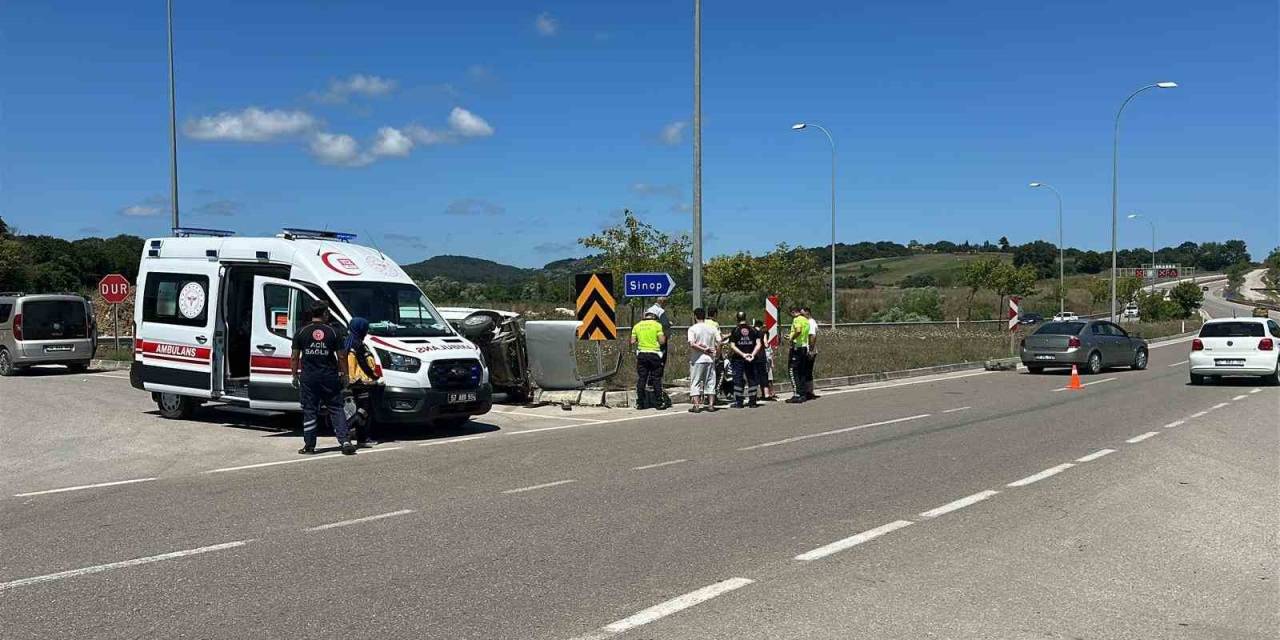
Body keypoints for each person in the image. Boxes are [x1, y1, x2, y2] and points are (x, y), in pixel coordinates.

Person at [291, 301, 355, 455]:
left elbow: (294, 356)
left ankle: (309, 446)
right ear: (325, 313)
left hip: (309, 378)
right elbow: (341, 356)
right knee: (336, 408)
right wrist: (345, 375)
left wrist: (294, 375)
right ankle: (345, 441)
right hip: (329, 377)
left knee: (310, 410)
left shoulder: (301, 332)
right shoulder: (334, 332)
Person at [344, 317, 383, 447]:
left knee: (364, 410)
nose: (366, 331)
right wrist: (375, 377)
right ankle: (345, 429)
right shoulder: (357, 344)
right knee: (364, 410)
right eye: (365, 329)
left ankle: (362, 438)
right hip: (361, 382)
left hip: (357, 382)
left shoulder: (350, 342)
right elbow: (363, 365)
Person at [630, 310, 668, 410]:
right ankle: (659, 402)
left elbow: (632, 341)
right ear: (654, 317)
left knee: (642, 378)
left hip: (642, 354)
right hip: (654, 354)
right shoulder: (657, 325)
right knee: (656, 378)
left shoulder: (637, 326)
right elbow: (662, 341)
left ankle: (640, 403)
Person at [686, 307, 719, 413]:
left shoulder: (692, 329)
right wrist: (715, 351)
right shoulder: (712, 328)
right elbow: (720, 340)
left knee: (695, 381)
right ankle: (710, 404)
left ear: (695, 316)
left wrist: (704, 349)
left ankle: (696, 405)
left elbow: (692, 344)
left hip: (697, 359)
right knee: (710, 381)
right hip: (710, 359)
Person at [727, 311, 762, 408]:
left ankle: (739, 402)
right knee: (752, 379)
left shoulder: (735, 330)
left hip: (738, 359)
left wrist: (743, 354)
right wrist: (752, 355)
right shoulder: (754, 330)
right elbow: (759, 344)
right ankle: (753, 402)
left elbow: (732, 346)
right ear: (745, 318)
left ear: (737, 319)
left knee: (738, 379)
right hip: (751, 359)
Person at [785, 304, 811, 404]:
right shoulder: (805, 319)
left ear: (793, 312)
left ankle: (797, 394)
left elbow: (799, 330)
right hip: (804, 347)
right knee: (802, 372)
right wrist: (791, 335)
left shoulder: (797, 319)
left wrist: (792, 337)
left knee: (793, 370)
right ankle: (803, 393)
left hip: (797, 348)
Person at [646, 296, 673, 374]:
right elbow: (665, 324)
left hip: (649, 337)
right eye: (666, 303)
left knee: (650, 358)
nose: (666, 305)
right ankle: (656, 379)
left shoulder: (648, 310)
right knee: (661, 358)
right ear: (662, 302)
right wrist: (669, 324)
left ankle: (649, 379)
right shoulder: (660, 311)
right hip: (660, 337)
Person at [753, 318, 777, 401]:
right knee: (764, 375)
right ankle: (766, 394)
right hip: (761, 356)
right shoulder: (762, 333)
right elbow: (766, 344)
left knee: (754, 376)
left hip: (753, 356)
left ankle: (754, 395)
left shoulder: (751, 333)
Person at [802, 305, 820, 400]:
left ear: (807, 312)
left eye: (802, 313)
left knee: (807, 371)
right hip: (808, 349)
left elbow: (812, 336)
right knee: (806, 371)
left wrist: (810, 350)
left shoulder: (811, 322)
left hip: (810, 350)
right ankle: (808, 390)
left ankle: (809, 391)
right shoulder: (807, 322)